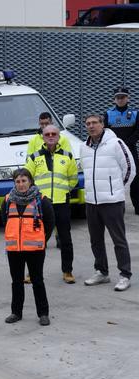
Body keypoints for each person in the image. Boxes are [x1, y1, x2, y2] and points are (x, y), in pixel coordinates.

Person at [81, 114, 136, 292]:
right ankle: (102, 272)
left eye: (94, 123)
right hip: (91, 202)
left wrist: (118, 189)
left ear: (102, 124)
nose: (91, 126)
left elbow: (130, 168)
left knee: (118, 240)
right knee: (95, 240)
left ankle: (125, 275)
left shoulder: (115, 143)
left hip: (112, 201)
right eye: (88, 124)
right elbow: (85, 171)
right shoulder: (84, 147)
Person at [24, 125, 78, 283]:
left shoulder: (67, 156)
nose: (51, 136)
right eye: (47, 134)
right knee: (37, 240)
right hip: (41, 204)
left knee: (65, 239)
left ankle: (67, 271)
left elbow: (73, 178)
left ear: (59, 136)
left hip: (62, 203)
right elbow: (27, 177)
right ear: (43, 136)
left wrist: (63, 191)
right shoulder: (35, 157)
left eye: (54, 133)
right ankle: (32, 273)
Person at [1, 169, 55, 326]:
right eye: (17, 181)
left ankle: (43, 314)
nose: (21, 184)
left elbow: (50, 223)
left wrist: (41, 240)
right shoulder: (7, 200)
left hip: (35, 250)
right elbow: (5, 221)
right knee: (16, 281)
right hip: (14, 249)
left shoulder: (42, 200)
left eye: (24, 180)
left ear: (30, 181)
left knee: (37, 280)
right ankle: (16, 312)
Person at [104, 87, 139, 213]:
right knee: (115, 177)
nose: (120, 99)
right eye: (118, 97)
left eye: (123, 97)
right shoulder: (108, 114)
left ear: (128, 98)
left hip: (130, 149)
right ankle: (116, 206)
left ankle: (138, 206)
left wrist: (128, 143)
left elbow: (138, 131)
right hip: (114, 151)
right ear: (114, 99)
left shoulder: (135, 113)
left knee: (135, 177)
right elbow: (106, 132)